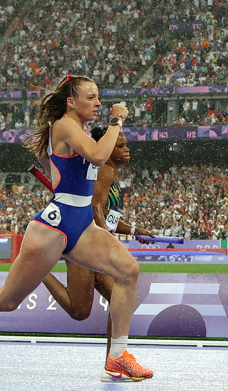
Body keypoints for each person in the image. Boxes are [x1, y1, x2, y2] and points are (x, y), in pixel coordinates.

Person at [0, 75, 152, 381]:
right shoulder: (64, 125)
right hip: (54, 227)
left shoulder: (78, 130)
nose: (98, 103)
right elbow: (99, 155)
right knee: (7, 300)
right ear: (71, 102)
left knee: (129, 271)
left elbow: (70, 163)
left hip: (82, 226)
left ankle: (117, 357)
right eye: (91, 98)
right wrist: (117, 120)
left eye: (99, 98)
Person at [36, 127, 155, 365]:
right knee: (80, 311)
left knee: (117, 299)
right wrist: (108, 242)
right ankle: (39, 270)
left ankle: (115, 360)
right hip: (84, 244)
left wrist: (133, 230)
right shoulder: (104, 171)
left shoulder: (109, 173)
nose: (126, 149)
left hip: (91, 242)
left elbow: (106, 213)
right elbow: (93, 210)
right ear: (108, 151)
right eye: (120, 146)